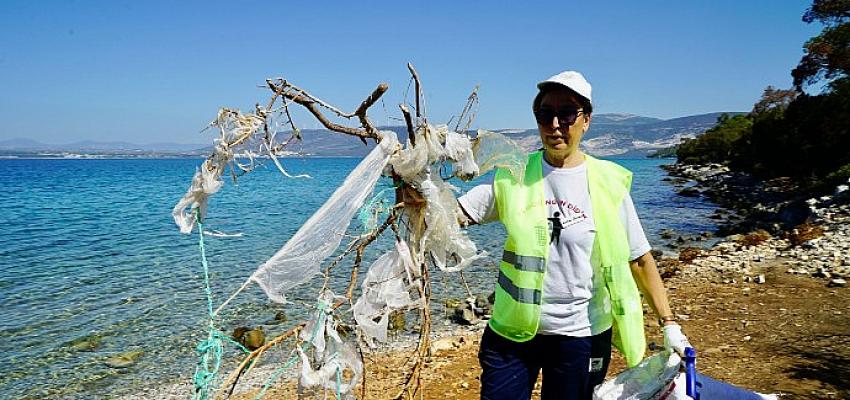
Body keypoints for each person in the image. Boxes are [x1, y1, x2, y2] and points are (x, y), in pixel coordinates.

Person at [457, 71, 691, 400]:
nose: (555, 124)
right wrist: (414, 184)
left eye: (566, 113)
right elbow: (450, 217)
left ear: (586, 121)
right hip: (512, 335)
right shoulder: (513, 176)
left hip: (581, 338)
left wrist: (668, 323)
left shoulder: (608, 183)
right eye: (545, 114)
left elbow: (639, 260)